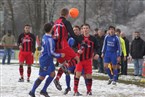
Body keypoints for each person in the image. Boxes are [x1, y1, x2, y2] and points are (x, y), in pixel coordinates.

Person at [52, 8, 87, 89]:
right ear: (67, 14)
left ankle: (57, 78)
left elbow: (53, 35)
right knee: (77, 59)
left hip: (56, 47)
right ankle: (67, 67)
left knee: (64, 64)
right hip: (63, 46)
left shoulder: (55, 22)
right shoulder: (66, 22)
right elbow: (72, 34)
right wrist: (81, 42)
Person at [29, 23, 65, 97]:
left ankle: (44, 90)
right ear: (51, 29)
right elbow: (51, 53)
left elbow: (50, 41)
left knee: (52, 74)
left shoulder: (45, 36)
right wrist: (60, 55)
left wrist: (56, 38)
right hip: (45, 60)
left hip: (48, 60)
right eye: (53, 28)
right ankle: (32, 91)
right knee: (42, 77)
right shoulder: (49, 40)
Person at [53, 25, 81, 94]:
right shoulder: (70, 38)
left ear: (79, 31)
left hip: (79, 59)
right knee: (67, 71)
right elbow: (67, 48)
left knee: (77, 74)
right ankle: (68, 87)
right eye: (74, 30)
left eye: (77, 30)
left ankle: (75, 89)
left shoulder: (81, 38)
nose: (75, 31)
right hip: (71, 58)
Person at [74, 24, 99, 96]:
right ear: (82, 30)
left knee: (89, 75)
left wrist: (96, 53)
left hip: (88, 59)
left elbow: (97, 47)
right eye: (84, 28)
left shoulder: (93, 38)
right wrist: (77, 51)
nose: (85, 30)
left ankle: (89, 90)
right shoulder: (78, 38)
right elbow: (73, 47)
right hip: (79, 59)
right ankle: (75, 91)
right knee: (77, 74)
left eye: (87, 28)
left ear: (89, 29)